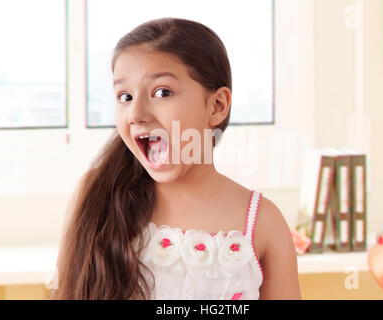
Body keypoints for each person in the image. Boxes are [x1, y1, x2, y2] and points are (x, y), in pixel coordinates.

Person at [50, 17, 300, 300]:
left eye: (162, 92)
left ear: (217, 106)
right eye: (125, 96)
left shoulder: (263, 222)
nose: (136, 114)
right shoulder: (96, 196)